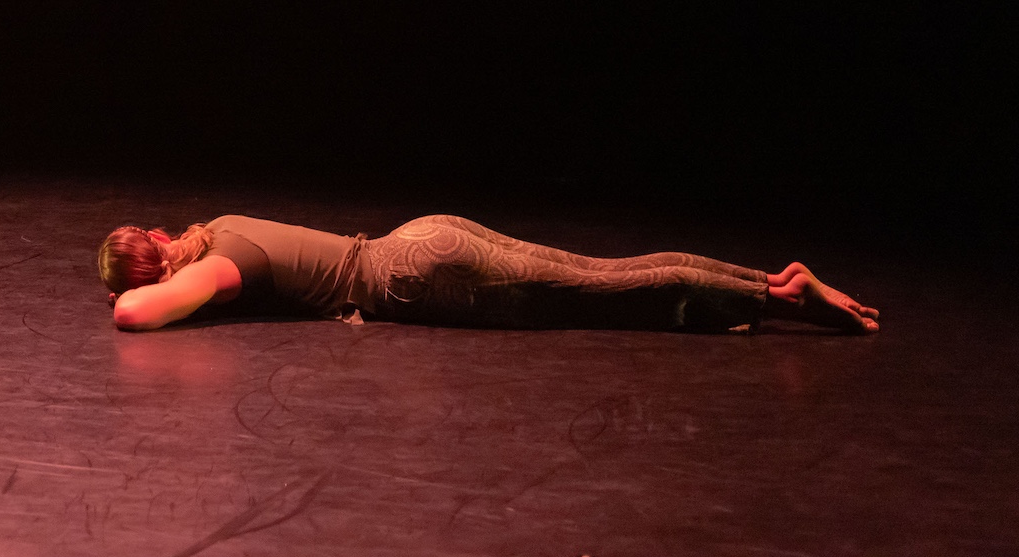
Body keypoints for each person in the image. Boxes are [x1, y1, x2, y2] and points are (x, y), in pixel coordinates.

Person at [97, 212, 881, 334]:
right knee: (602, 267)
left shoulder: (221, 267)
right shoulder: (221, 227)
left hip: (404, 279)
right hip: (423, 232)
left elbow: (139, 315)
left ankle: (779, 300)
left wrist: (129, 291)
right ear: (165, 231)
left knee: (602, 291)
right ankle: (769, 281)